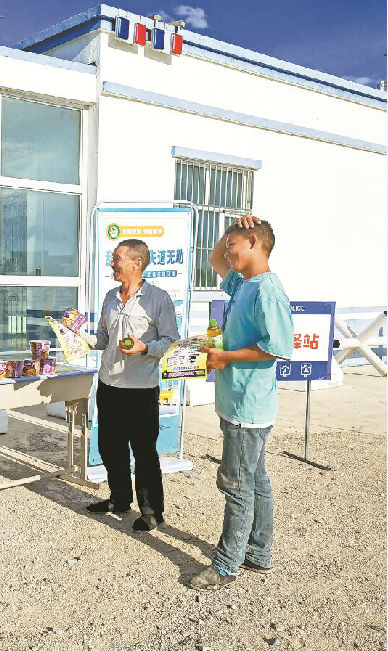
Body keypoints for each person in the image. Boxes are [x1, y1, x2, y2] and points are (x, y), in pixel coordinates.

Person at [188, 216, 293, 591]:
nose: (228, 252)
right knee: (255, 480)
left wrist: (226, 358)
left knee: (236, 485)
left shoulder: (268, 291)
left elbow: (276, 347)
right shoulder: (244, 283)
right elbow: (216, 261)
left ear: (253, 242)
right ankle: (258, 552)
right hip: (238, 401)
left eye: (233, 244)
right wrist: (228, 229)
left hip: (249, 407)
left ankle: (226, 564)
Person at [83, 239, 179, 532]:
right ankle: (120, 499)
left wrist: (144, 348)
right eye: (113, 258)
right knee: (110, 447)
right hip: (109, 384)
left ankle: (152, 512)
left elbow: (171, 342)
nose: (112, 263)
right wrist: (79, 337)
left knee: (144, 452)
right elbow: (103, 338)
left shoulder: (158, 299)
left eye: (117, 259)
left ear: (137, 263)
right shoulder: (110, 297)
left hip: (140, 390)